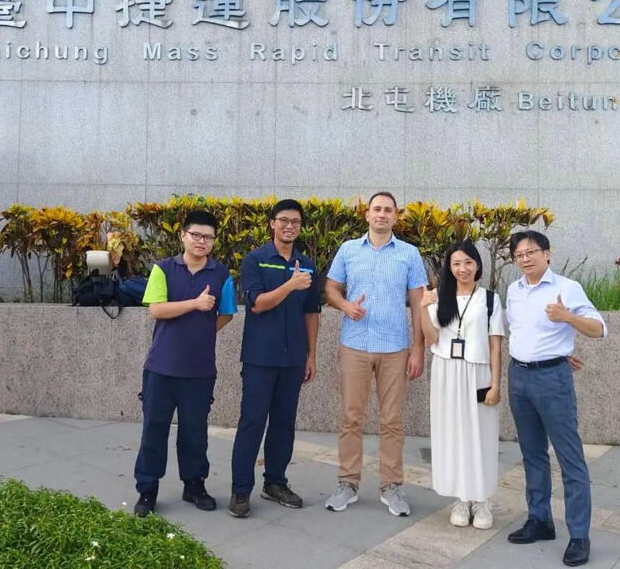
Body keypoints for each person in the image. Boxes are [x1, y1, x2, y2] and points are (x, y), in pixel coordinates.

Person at [505, 230, 606, 567]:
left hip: (552, 380)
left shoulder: (567, 288)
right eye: (519, 255)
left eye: (531, 252)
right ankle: (540, 519)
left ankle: (579, 535)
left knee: (569, 457)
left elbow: (599, 328)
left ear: (547, 253)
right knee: (532, 454)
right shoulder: (513, 291)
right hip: (518, 377)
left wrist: (568, 319)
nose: (525, 259)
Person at [323, 192, 427, 517]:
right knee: (351, 418)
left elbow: (419, 305)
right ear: (367, 215)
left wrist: (418, 349)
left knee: (392, 421)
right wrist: (345, 305)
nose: (382, 214)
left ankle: (391, 486)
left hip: (395, 348)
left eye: (388, 210)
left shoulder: (409, 254)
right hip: (354, 344)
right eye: (376, 209)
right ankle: (348, 484)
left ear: (396, 217)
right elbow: (329, 289)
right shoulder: (348, 250)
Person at [133, 210, 237, 517]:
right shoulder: (163, 269)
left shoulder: (221, 275)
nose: (202, 242)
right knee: (154, 429)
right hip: (161, 366)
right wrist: (194, 305)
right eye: (196, 235)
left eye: (208, 237)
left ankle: (194, 485)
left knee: (195, 432)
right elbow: (156, 310)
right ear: (183, 236)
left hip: (200, 369)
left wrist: (202, 329)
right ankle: (147, 490)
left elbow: (227, 313)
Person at [228, 199, 321, 519]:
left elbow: (312, 312)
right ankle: (241, 490)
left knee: (284, 424)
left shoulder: (307, 264)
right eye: (283, 220)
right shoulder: (255, 261)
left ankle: (275, 483)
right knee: (252, 423)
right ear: (272, 223)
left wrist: (311, 355)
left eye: (295, 221)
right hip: (260, 358)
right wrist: (291, 284)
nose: (289, 226)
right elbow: (257, 304)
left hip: (294, 358)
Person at [420, 240, 504, 529]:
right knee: (451, 434)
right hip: (446, 371)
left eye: (468, 262)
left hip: (479, 373)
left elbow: (495, 346)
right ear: (449, 267)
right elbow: (431, 338)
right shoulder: (438, 297)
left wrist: (496, 383)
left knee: (480, 434)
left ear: (477, 265)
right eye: (456, 263)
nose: (462, 268)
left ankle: (482, 500)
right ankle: (461, 498)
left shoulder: (490, 299)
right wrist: (422, 307)